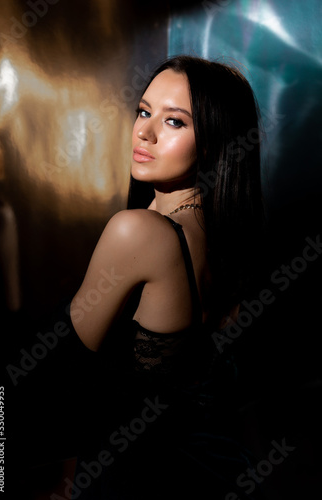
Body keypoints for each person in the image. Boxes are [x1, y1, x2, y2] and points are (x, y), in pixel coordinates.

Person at [67, 54, 266, 499]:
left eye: (175, 122)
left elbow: (54, 380)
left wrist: (2, 474)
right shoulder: (230, 240)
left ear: (214, 144)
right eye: (143, 111)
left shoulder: (138, 232)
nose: (145, 131)